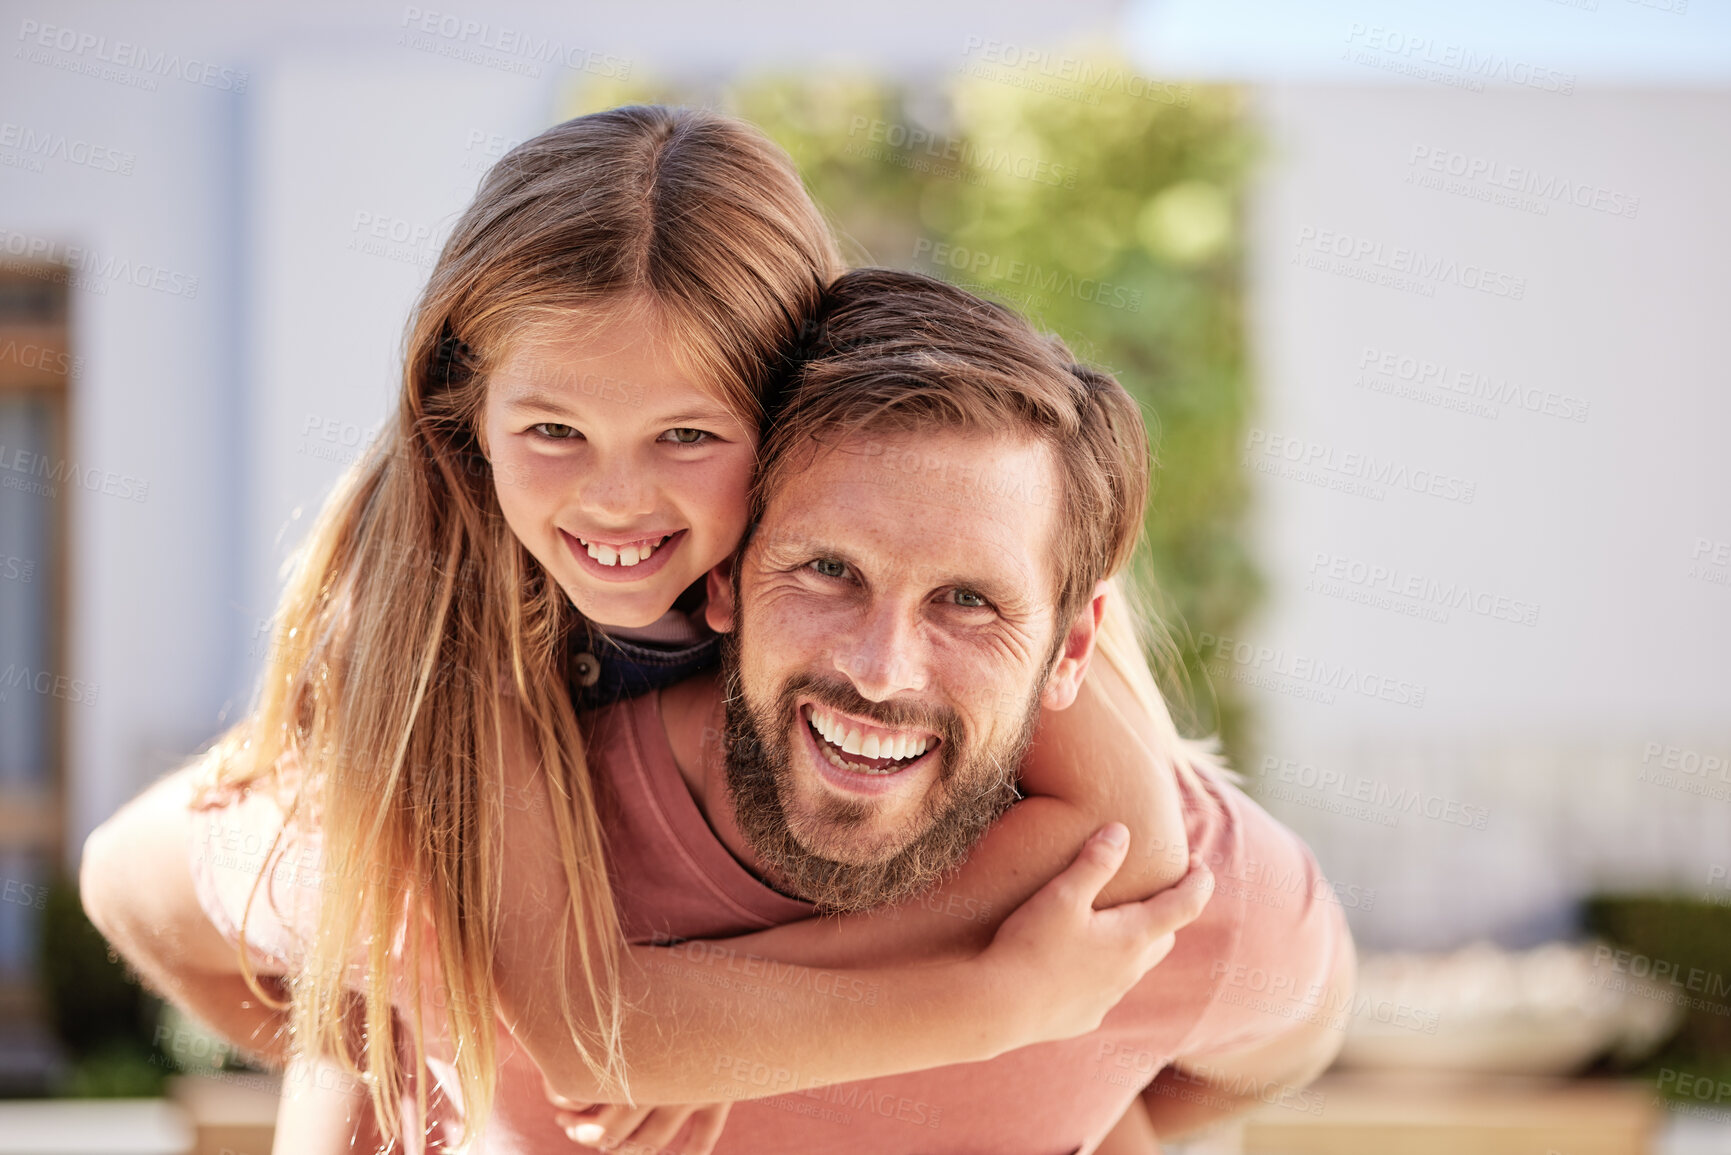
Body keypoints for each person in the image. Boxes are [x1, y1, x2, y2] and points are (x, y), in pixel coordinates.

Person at [79, 106, 1216, 1153]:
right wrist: (990, 1004)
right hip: (383, 866)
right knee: (371, 987)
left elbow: (1138, 845)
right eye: (553, 430)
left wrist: (735, 1026)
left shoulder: (894, 502)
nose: (616, 502)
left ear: (790, 421)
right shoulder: (446, 579)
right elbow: (586, 1035)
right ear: (467, 409)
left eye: (686, 436)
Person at [500, 269, 1354, 1154]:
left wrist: (1108, 1115)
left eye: (967, 600)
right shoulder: (502, 865)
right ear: (725, 575)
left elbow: (1283, 1046)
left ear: (1070, 649)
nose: (880, 671)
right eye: (829, 571)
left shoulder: (1175, 912)